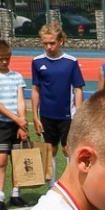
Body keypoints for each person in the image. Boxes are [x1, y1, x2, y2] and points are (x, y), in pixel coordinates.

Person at [0, 39, 34, 210]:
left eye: (7, 58)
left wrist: (21, 122)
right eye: (0, 59)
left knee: (18, 161)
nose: (4, 62)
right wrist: (16, 118)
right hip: (1, 125)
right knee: (1, 160)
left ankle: (16, 193)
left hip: (17, 124)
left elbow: (21, 100)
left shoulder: (17, 77)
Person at [30, 24, 86, 167]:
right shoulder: (37, 62)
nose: (48, 46)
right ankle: (51, 186)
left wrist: (79, 114)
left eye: (52, 43)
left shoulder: (71, 62)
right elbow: (36, 89)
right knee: (50, 149)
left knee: (68, 149)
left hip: (68, 114)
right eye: (45, 43)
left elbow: (78, 89)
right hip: (47, 114)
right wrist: (35, 116)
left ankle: (70, 186)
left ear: (61, 41)